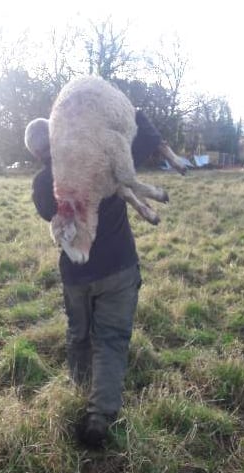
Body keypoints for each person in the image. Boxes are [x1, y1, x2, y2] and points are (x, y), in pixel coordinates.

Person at [32, 110, 163, 447]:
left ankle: (79, 391)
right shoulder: (103, 156)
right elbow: (146, 141)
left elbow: (48, 212)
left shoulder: (43, 183)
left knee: (79, 336)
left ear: (35, 153)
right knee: (110, 340)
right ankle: (98, 416)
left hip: (77, 274)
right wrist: (132, 113)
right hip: (118, 268)